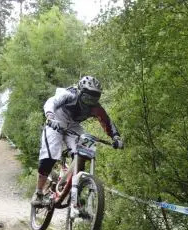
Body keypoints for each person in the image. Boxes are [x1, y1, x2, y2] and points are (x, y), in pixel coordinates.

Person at [31, 76, 124, 206]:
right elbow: (51, 102)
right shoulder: (69, 94)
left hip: (74, 125)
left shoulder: (96, 107)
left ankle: (74, 190)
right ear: (80, 92)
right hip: (56, 119)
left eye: (94, 99)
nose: (90, 102)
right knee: (51, 153)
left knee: (84, 152)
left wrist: (115, 137)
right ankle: (38, 193)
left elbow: (107, 121)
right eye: (87, 98)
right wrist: (50, 117)